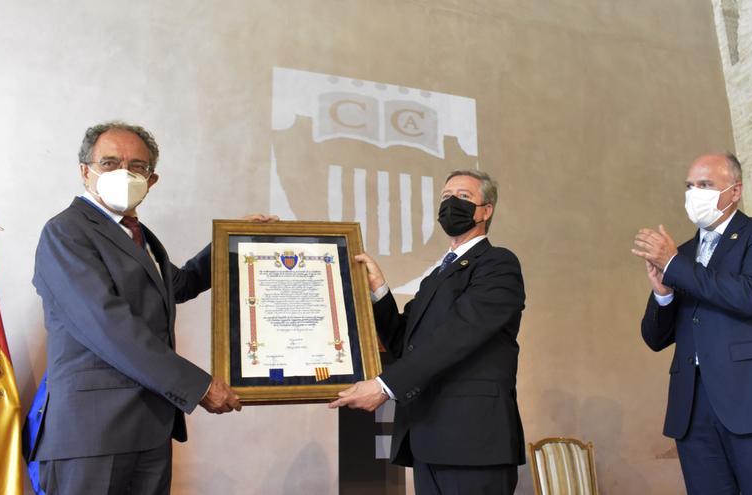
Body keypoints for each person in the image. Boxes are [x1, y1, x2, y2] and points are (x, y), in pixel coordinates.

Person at [30, 121, 276, 494]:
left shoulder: (138, 235)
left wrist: (229, 242)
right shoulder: (66, 232)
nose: (124, 173)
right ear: (85, 171)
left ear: (152, 179)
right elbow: (108, 326)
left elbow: (177, 286)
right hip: (93, 435)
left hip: (148, 428)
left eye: (137, 166)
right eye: (110, 163)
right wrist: (199, 386)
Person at [330, 170, 526, 495]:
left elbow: (459, 334)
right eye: (446, 197)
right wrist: (378, 290)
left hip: (473, 441)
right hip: (427, 438)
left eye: (463, 197)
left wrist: (385, 386)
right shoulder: (437, 274)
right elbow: (404, 341)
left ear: (486, 210)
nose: (451, 204)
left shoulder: (497, 263)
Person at [632, 153, 752, 494]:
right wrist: (663, 295)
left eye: (705, 185)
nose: (694, 193)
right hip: (693, 409)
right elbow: (655, 338)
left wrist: (674, 265)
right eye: (689, 186)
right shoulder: (682, 254)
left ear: (735, 191)